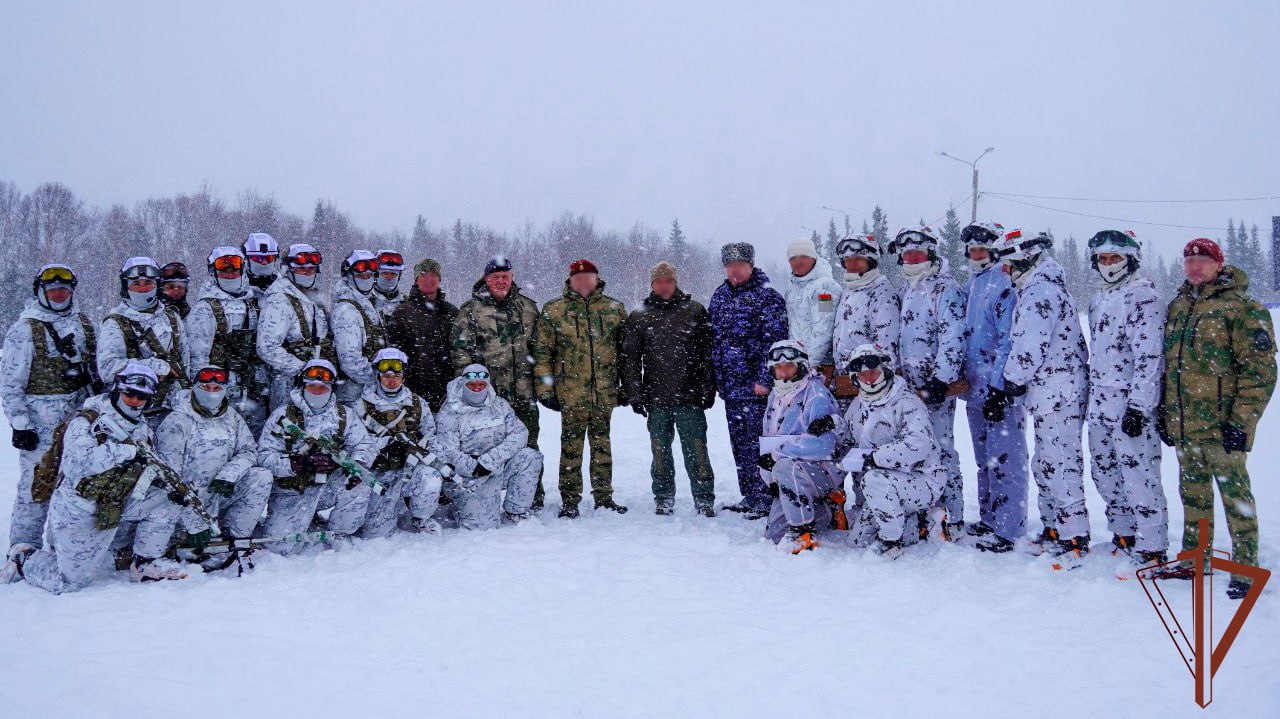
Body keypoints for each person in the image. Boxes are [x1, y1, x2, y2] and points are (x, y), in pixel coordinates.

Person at [1160, 237, 1276, 599]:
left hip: (1224, 427)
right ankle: (1196, 559)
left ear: (1218, 265)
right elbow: (1171, 368)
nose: (1195, 266)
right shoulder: (1178, 305)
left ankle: (1244, 568)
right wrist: (1167, 415)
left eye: (1203, 260)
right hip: (1186, 425)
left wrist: (1242, 423)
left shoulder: (1243, 308)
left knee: (1235, 498)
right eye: (1189, 260)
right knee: (1193, 497)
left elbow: (1260, 372)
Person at [19, 364, 190, 591]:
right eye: (130, 393)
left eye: (142, 397)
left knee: (167, 499)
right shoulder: (87, 420)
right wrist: (126, 451)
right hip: (79, 507)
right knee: (71, 582)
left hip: (114, 503)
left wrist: (165, 485)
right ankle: (24, 558)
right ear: (118, 389)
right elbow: (75, 465)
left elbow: (144, 467)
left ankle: (145, 562)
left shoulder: (142, 428)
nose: (135, 401)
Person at [987, 229, 1091, 569]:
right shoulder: (1035, 288)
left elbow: (1030, 344)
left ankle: (1074, 535)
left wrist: (1011, 382)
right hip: (1048, 389)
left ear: (1023, 260)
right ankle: (1054, 527)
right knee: (1047, 462)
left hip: (1058, 388)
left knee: (1060, 461)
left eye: (1007, 265)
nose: (1005, 272)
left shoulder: (1040, 291)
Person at [0, 265, 99, 582]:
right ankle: (21, 549)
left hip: (78, 418)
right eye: (53, 289)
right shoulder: (24, 330)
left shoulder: (83, 324)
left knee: (73, 484)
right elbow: (11, 383)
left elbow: (97, 367)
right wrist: (20, 424)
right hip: (40, 423)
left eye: (65, 289)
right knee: (36, 487)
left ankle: (63, 546)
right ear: (40, 292)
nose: (59, 294)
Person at [1083, 230, 1169, 575]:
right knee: (1104, 471)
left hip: (1129, 403)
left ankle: (1152, 546)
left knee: (1139, 475)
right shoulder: (1099, 298)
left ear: (1129, 259)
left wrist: (1139, 406)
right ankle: (1124, 533)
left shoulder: (1142, 297)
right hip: (1100, 400)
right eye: (1102, 259)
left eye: (1114, 258)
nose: (1108, 264)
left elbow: (1150, 357)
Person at [533, 258, 629, 518]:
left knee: (602, 445)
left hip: (604, 391)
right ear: (570, 281)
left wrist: (628, 386)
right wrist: (545, 389)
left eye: (588, 277)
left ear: (597, 279)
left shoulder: (614, 309)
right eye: (578, 278)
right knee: (571, 447)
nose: (583, 282)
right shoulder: (554, 310)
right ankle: (569, 500)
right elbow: (542, 353)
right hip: (570, 392)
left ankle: (604, 496)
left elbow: (626, 353)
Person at [622, 261, 717, 516]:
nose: (664, 286)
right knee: (660, 452)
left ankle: (704, 497)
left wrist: (708, 387)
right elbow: (630, 358)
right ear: (652, 284)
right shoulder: (639, 315)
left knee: (697, 449)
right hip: (656, 397)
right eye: (659, 282)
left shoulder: (694, 311)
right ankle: (663, 496)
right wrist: (635, 393)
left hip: (690, 395)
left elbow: (707, 354)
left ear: (675, 282)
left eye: (668, 281)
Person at [451, 255, 545, 507]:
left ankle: (531, 497)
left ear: (512, 277)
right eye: (495, 277)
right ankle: (482, 497)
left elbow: (541, 349)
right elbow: (461, 352)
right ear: (486, 279)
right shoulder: (471, 310)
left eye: (505, 277)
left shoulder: (528, 308)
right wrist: (471, 389)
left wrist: (543, 383)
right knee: (486, 448)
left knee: (528, 445)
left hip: (524, 393)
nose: (501, 281)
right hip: (489, 398)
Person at [958, 221, 1029, 553]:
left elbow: (1008, 340)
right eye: (972, 249)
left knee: (1006, 458)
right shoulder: (973, 284)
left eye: (982, 249)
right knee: (984, 458)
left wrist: (1000, 386)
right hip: (975, 389)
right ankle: (989, 519)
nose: (977, 254)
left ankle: (1008, 527)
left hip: (998, 390)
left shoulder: (1004, 284)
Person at [837, 344, 945, 558]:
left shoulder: (906, 402)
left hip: (922, 480)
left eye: (873, 373)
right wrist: (831, 425)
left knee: (874, 480)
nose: (868, 379)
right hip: (887, 484)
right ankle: (917, 521)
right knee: (856, 541)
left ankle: (891, 542)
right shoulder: (859, 405)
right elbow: (849, 437)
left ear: (885, 371)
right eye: (862, 374)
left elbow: (918, 445)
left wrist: (877, 457)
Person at [893, 225, 967, 539]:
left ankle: (953, 514)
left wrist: (941, 379)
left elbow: (953, 335)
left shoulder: (944, 288)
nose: (911, 257)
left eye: (918, 251)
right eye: (906, 252)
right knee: (916, 448)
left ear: (930, 253)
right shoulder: (909, 288)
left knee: (941, 447)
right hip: (910, 387)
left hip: (934, 387)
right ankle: (925, 508)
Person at [257, 359, 375, 554]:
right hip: (293, 489)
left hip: (329, 486)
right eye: (312, 386)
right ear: (302, 386)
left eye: (323, 387)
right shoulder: (282, 416)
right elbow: (263, 457)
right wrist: (295, 464)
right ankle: (296, 520)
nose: (317, 391)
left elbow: (364, 445)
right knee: (281, 548)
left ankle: (339, 532)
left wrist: (357, 464)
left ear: (332, 388)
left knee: (362, 479)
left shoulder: (345, 415)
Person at [155, 365, 273, 559]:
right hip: (184, 500)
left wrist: (229, 475)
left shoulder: (232, 417)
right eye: (205, 387)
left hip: (218, 491)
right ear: (194, 388)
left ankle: (236, 539)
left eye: (217, 389)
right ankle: (183, 536)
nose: (211, 393)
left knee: (261, 476)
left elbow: (249, 451)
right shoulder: (177, 421)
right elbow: (169, 479)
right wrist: (195, 522)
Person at [709, 242, 789, 518]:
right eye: (730, 266)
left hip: (756, 388)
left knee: (759, 444)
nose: (735, 271)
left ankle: (766, 497)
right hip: (731, 388)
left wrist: (765, 380)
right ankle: (749, 495)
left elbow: (776, 343)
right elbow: (715, 340)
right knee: (739, 444)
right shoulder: (720, 297)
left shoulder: (767, 297)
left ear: (751, 265)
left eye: (740, 266)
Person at [756, 340, 842, 553]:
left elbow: (823, 445)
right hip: (792, 474)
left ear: (801, 367)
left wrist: (778, 457)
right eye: (778, 368)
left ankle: (803, 531)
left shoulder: (815, 395)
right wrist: (772, 478)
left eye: (789, 366)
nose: (783, 372)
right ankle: (825, 510)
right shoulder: (776, 395)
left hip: (823, 470)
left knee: (786, 467)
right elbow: (769, 439)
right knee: (773, 536)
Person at [435, 364, 542, 528]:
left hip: (495, 468)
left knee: (529, 457)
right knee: (483, 526)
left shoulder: (499, 404)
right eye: (472, 385)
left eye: (481, 385)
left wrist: (490, 460)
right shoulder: (449, 411)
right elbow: (448, 451)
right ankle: (459, 508)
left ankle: (516, 511)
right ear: (464, 384)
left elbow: (520, 433)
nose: (477, 389)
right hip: (465, 477)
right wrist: (475, 467)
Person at [354, 348, 446, 536]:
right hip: (379, 475)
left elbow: (432, 436)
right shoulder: (361, 406)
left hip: (410, 470)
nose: (391, 379)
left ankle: (421, 518)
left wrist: (431, 455)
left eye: (396, 375)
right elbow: (354, 443)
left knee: (431, 478)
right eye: (386, 376)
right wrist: (384, 446)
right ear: (377, 376)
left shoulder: (417, 403)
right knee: (375, 536)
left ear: (403, 377)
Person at [187, 246, 270, 436]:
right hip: (222, 388)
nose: (230, 272)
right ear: (213, 272)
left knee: (257, 435)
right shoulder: (205, 308)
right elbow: (198, 357)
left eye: (234, 265)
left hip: (255, 386)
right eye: (223, 267)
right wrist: (205, 394)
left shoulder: (255, 302)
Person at [97, 256, 190, 425]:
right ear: (126, 287)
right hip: (135, 410)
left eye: (148, 283)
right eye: (136, 284)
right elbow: (107, 369)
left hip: (176, 409)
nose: (142, 289)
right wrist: (155, 366)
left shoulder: (172, 317)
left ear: (157, 286)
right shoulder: (115, 322)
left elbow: (185, 363)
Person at [256, 243, 334, 412]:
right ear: (289, 270)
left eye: (311, 269)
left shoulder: (314, 300)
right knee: (289, 425)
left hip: (318, 381)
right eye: (302, 269)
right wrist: (301, 369)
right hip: (289, 382)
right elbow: (267, 347)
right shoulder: (279, 300)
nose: (307, 272)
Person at [387, 258, 458, 413]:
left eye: (433, 275)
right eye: (424, 274)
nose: (429, 279)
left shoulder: (451, 312)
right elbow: (395, 354)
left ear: (439, 279)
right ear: (416, 279)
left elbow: (459, 350)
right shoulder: (402, 312)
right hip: (412, 394)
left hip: (447, 394)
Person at [831, 234, 900, 396]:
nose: (852, 264)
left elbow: (886, 345)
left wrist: (874, 381)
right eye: (847, 260)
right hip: (847, 379)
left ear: (870, 260)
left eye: (858, 259)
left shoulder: (881, 293)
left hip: (868, 381)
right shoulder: (850, 289)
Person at [331, 250, 388, 404]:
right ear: (349, 277)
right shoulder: (347, 310)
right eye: (361, 276)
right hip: (354, 395)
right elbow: (350, 361)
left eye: (370, 276)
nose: (366, 279)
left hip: (367, 393)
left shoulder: (368, 304)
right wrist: (383, 380)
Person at [783, 237, 842, 379]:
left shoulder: (825, 288)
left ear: (813, 258)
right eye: (793, 258)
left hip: (819, 367)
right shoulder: (791, 289)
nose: (798, 262)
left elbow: (824, 327)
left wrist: (807, 364)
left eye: (803, 256)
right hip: (796, 365)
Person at [372, 249, 407, 320]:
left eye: (393, 274)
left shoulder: (407, 303)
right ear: (375, 275)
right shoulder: (365, 302)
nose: (389, 277)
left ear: (399, 277)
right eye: (384, 273)